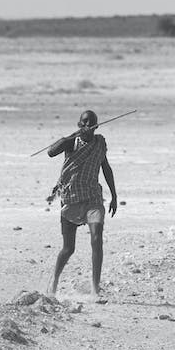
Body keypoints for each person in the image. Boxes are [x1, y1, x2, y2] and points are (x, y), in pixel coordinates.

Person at [47, 109, 117, 299]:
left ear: (96, 126)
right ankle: (54, 280)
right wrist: (73, 135)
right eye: (84, 123)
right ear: (79, 125)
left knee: (97, 239)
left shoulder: (100, 143)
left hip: (93, 197)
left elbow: (106, 168)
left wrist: (114, 195)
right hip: (71, 198)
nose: (87, 125)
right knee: (69, 248)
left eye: (91, 123)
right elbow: (51, 152)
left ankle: (95, 289)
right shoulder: (71, 142)